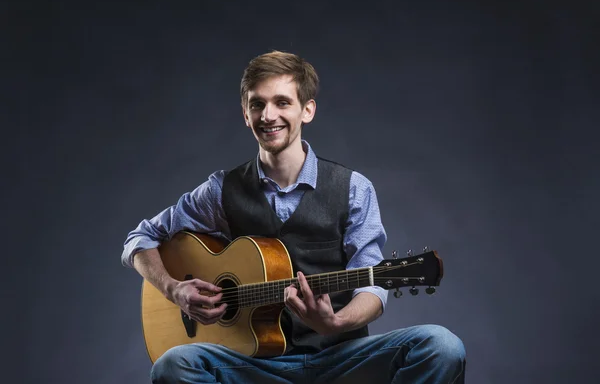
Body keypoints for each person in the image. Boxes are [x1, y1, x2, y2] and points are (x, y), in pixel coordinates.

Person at [122, 50, 466, 384]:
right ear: (245, 113)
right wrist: (174, 289)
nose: (268, 115)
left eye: (282, 102)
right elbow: (139, 240)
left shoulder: (353, 189)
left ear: (307, 110)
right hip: (255, 366)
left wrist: (336, 321)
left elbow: (372, 286)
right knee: (174, 365)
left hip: (339, 359)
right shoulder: (220, 191)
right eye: (258, 104)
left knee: (441, 347)